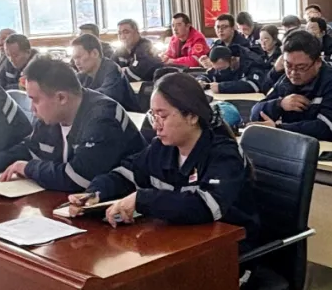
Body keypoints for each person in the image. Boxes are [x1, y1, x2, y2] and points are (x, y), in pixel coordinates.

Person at [76, 72, 260, 244]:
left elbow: (205, 207)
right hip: (181, 239)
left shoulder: (224, 154)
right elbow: (127, 173)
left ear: (191, 116)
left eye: (162, 116)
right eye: (153, 115)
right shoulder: (163, 147)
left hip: (229, 248)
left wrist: (142, 199)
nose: (156, 125)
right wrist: (95, 193)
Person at [0, 57, 146, 193]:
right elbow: (30, 148)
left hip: (123, 208)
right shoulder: (51, 117)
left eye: (35, 100)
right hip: (72, 203)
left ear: (61, 98)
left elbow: (78, 178)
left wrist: (28, 168)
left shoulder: (102, 118)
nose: (32, 108)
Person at [250, 31, 332, 141]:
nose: (293, 73)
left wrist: (279, 128)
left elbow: (327, 128)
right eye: (288, 65)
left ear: (318, 62)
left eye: (301, 67)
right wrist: (280, 104)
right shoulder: (286, 80)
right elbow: (255, 113)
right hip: (292, 143)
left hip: (325, 146)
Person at [72, 34, 138, 112]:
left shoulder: (112, 69)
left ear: (95, 53)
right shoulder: (82, 75)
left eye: (79, 57)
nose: (76, 63)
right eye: (74, 58)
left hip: (130, 116)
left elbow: (103, 97)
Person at [198, 45, 269, 94]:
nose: (220, 71)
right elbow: (211, 75)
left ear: (233, 60)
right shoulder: (222, 62)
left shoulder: (252, 62)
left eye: (222, 69)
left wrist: (221, 87)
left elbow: (254, 85)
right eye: (217, 69)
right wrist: (201, 81)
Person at [114, 18, 162, 82]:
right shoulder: (120, 50)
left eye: (126, 32)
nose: (122, 37)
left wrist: (120, 71)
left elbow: (133, 75)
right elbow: (108, 70)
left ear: (137, 33)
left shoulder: (146, 47)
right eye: (119, 33)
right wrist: (123, 70)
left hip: (152, 86)